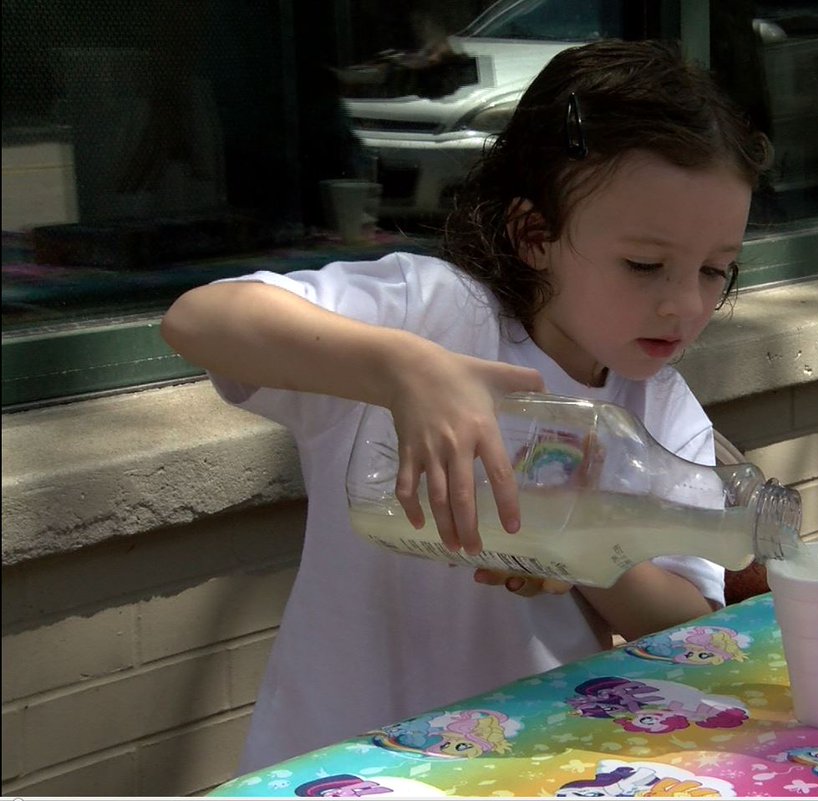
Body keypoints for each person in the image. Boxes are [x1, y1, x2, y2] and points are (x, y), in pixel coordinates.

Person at [161, 38, 771, 773]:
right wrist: (401, 369)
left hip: (528, 764)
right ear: (533, 235)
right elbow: (198, 319)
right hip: (338, 765)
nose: (686, 304)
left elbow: (687, 623)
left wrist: (585, 552)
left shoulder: (660, 406)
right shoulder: (431, 315)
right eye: (645, 265)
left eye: (716, 271)